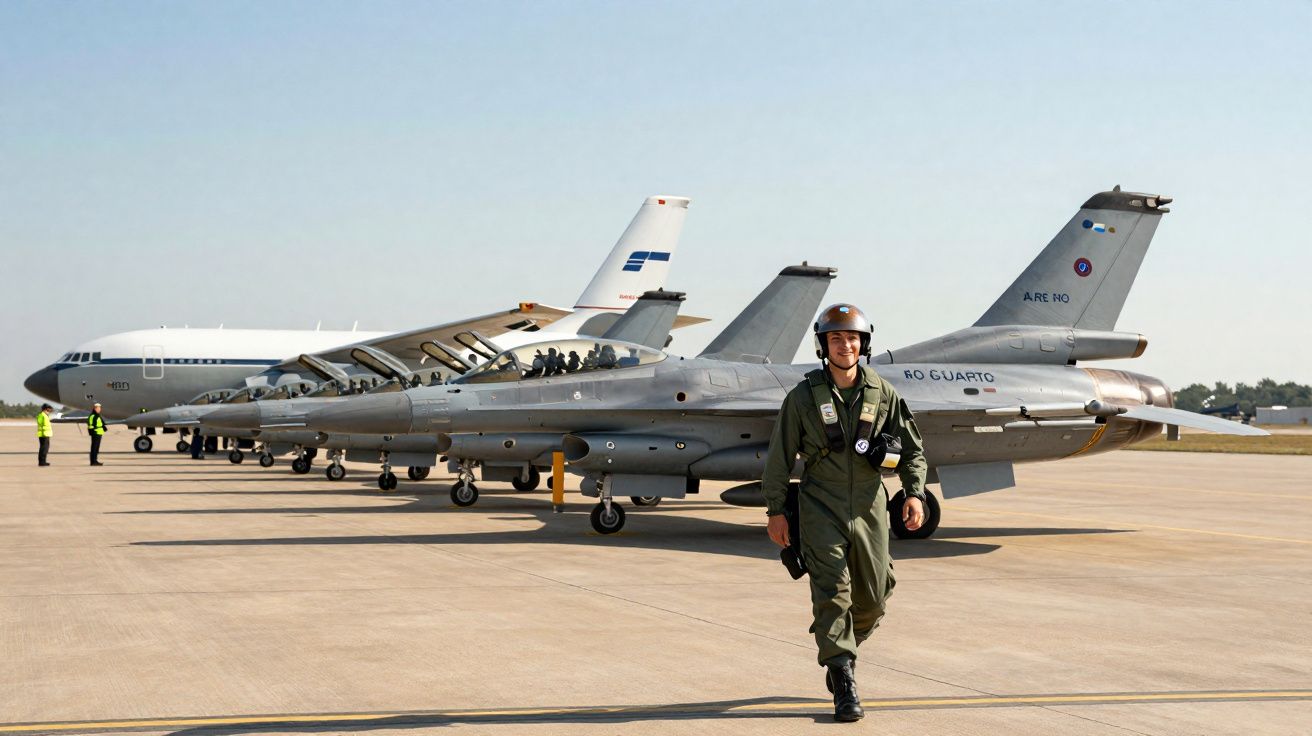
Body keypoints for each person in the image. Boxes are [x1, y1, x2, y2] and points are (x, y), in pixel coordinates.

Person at [760, 303, 928, 723]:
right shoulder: (802, 398)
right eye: (836, 339)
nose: (845, 345)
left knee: (873, 595)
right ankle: (843, 677)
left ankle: (841, 652)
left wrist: (914, 494)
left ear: (863, 344)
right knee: (832, 590)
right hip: (820, 504)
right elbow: (779, 459)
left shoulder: (883, 393)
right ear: (824, 346)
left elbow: (912, 450)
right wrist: (776, 510)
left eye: (852, 338)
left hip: (869, 504)